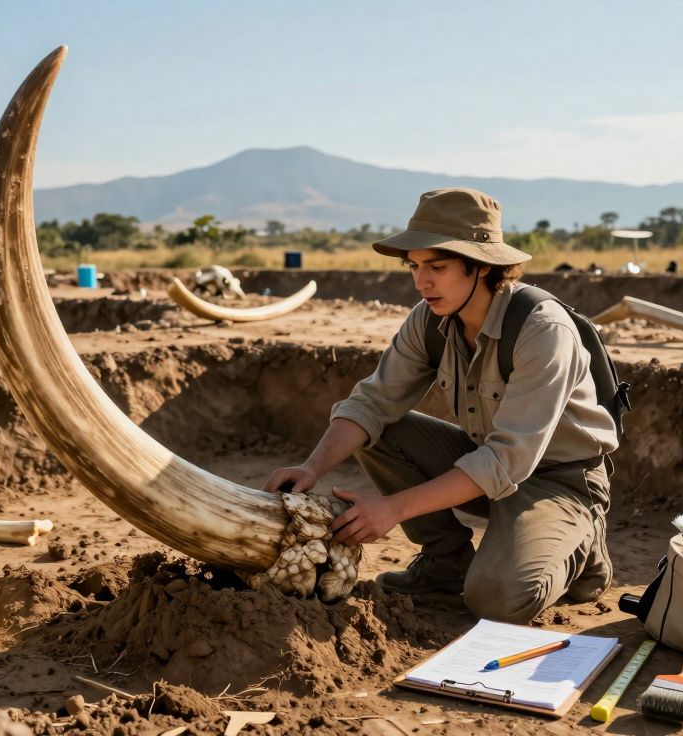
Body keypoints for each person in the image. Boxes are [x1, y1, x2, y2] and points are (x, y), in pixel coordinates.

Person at [265, 188, 619, 624]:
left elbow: (508, 458)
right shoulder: (430, 318)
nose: (421, 282)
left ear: (484, 266)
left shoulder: (542, 330)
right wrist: (311, 468)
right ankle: (445, 563)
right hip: (484, 465)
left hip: (559, 482)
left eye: (437, 266)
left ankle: (583, 551)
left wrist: (393, 508)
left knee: (497, 600)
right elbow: (372, 402)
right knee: (381, 430)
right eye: (414, 266)